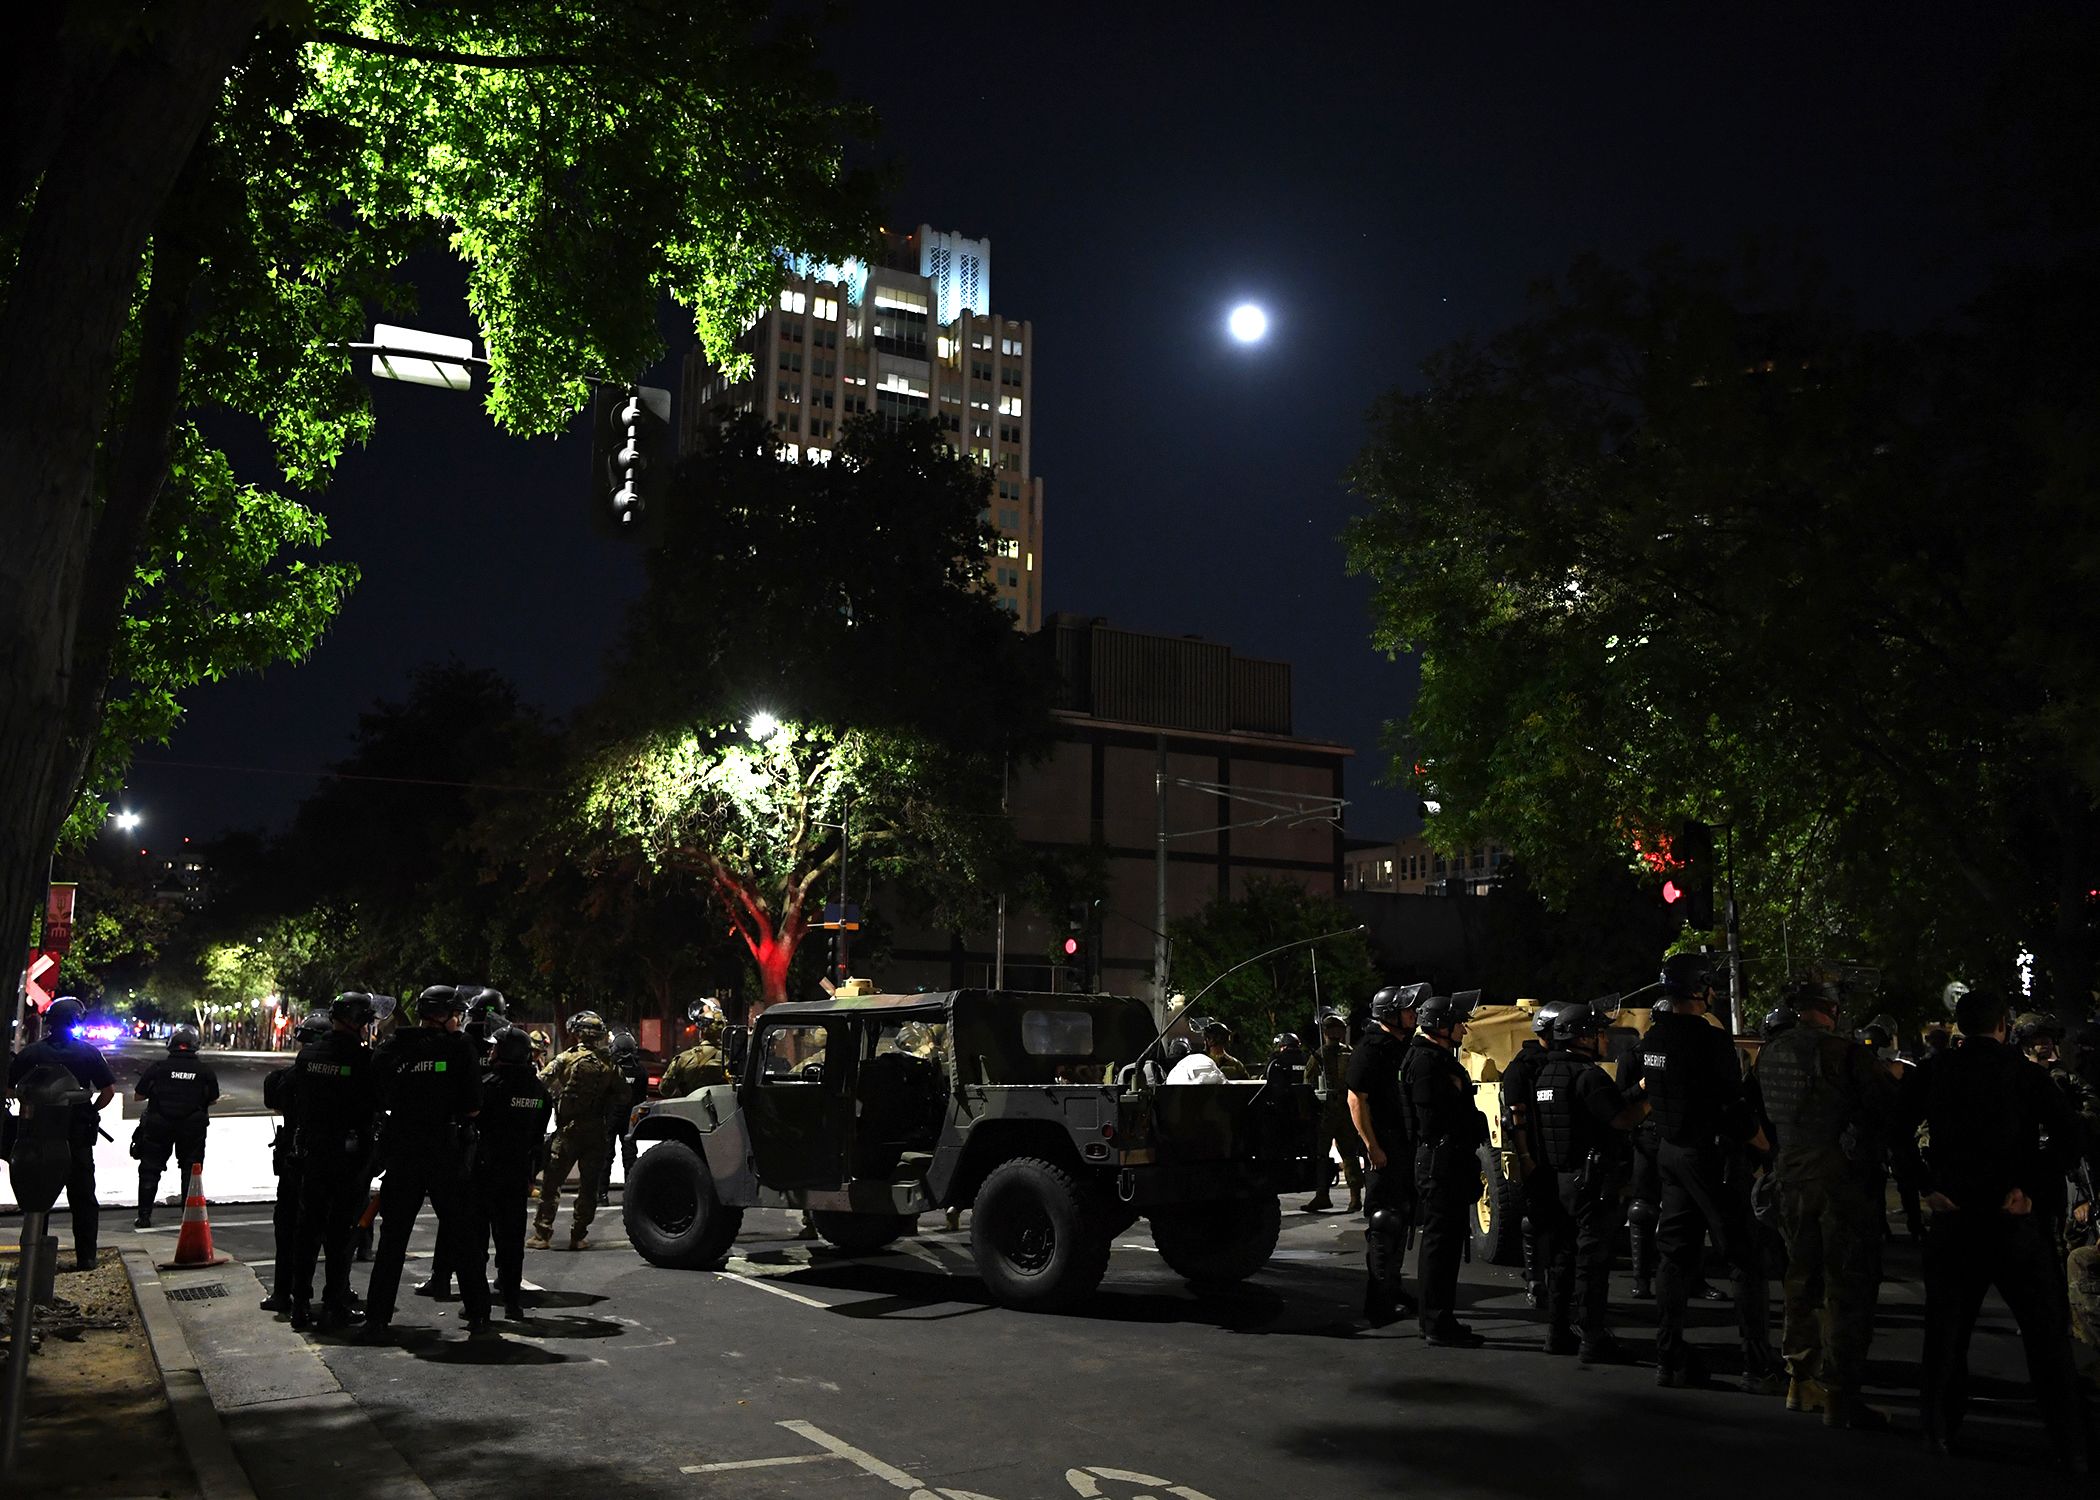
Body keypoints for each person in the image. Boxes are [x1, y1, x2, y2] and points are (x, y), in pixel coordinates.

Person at [1907, 991, 2091, 1471]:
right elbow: (2071, 1134)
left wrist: (1927, 1186)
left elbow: (1892, 1130)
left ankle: (1938, 1430)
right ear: (2003, 1026)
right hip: (2013, 1218)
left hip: (1955, 1216)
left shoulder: (1934, 1071)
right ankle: (2069, 1442)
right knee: (2046, 1334)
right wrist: (2029, 1187)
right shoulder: (2025, 1076)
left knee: (1947, 1331)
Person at [1620, 954, 1781, 1392]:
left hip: (1670, 1153)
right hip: (1710, 1158)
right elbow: (1734, 1109)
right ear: (1701, 988)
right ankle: (1757, 1364)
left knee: (1674, 1256)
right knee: (1744, 1257)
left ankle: (1669, 1360)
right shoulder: (1711, 1042)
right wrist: (1765, 1147)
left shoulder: (1652, 1039)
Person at [1754, 982, 1896, 1427]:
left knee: (1800, 1281)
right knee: (1846, 1289)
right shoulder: (1846, 1053)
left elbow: (1751, 1113)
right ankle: (1841, 1396)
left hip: (1790, 1179)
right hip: (1840, 1184)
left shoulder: (1770, 1054)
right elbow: (1886, 1113)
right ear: (1830, 1010)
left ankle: (1801, 1381)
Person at [363, 985, 489, 1335]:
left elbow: (377, 1093)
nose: (459, 1019)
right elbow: (474, 1106)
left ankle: (377, 1318)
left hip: (402, 1149)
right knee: (462, 1234)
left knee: (393, 1240)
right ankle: (479, 1313)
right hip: (444, 1150)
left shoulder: (394, 1047)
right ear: (443, 1015)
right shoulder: (460, 1048)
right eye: (456, 1013)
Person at [1524, 1000, 1644, 1363]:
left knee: (1562, 1258)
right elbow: (1621, 1119)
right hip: (1592, 1182)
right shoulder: (1589, 1076)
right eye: (1599, 1032)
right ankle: (1592, 1337)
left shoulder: (1547, 1074)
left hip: (1560, 1180)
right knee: (1592, 1261)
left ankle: (1557, 1332)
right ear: (1584, 1038)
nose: (1605, 1039)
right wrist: (1649, 1095)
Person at [285, 992, 387, 1330]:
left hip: (313, 1153)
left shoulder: (308, 1056)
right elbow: (375, 1104)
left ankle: (299, 1304)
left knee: (307, 1231)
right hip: (348, 1156)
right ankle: (334, 1304)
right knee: (342, 1234)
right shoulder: (364, 1060)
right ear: (359, 1021)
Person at [1401, 989, 1489, 1347]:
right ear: (1439, 1026)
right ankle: (1437, 1322)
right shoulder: (1426, 1062)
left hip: (1445, 1160)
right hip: (1441, 1162)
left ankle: (1437, 1319)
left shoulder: (1431, 1058)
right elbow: (1434, 1117)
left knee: (1445, 1245)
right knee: (1440, 1245)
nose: (1463, 1032)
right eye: (1458, 1025)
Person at [7, 996, 116, 1269]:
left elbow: (10, 1091)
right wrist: (90, 1110)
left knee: (36, 1200)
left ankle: (33, 1259)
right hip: (76, 1138)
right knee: (83, 1200)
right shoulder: (89, 1053)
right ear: (76, 1022)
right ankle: (86, 1258)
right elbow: (108, 1092)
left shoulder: (30, 1054)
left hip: (36, 1137)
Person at [1347, 983, 1424, 1326]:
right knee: (1383, 1221)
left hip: (1404, 1144)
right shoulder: (1371, 1048)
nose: (1413, 1015)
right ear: (1389, 1014)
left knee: (1401, 1218)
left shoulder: (1400, 1045)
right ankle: (1378, 1301)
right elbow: (1355, 1100)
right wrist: (1372, 1146)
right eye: (1407, 1010)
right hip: (1385, 1145)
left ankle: (1393, 1289)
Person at [467, 1026, 551, 1321]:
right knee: (512, 1241)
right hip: (517, 1174)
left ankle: (477, 1306)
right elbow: (538, 1137)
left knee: (477, 1242)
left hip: (484, 1172)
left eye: (494, 1048)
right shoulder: (539, 1091)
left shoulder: (489, 1085)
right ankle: (512, 1302)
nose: (489, 1052)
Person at [531, 1010, 623, 1251]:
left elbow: (540, 1082)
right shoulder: (609, 1064)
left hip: (568, 1131)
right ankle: (578, 1235)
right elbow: (624, 1094)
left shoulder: (565, 1059)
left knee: (552, 1184)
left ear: (578, 1034)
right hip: (597, 1132)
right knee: (589, 1185)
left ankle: (542, 1235)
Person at [260, 1012, 331, 1313]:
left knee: (288, 1225)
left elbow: (274, 1100)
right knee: (333, 1229)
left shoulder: (290, 1075)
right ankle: (335, 1294)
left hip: (296, 1158)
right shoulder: (340, 1070)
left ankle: (283, 1292)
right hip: (327, 1159)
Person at [1498, 1003, 1563, 1309]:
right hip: (1537, 1153)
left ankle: (1555, 1278)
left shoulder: (1563, 1063)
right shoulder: (1523, 1067)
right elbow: (1516, 1118)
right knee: (1537, 1217)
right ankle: (1536, 1279)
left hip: (1560, 1153)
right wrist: (1524, 1157)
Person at [131, 1023, 220, 1228]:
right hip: (192, 1127)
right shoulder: (204, 1071)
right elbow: (213, 1099)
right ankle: (188, 1217)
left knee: (150, 1169)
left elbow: (139, 1095)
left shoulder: (158, 1068)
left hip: (159, 1124)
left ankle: (144, 1216)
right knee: (190, 1169)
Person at [1304, 1012, 1363, 1214]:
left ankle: (1323, 1194)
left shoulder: (1319, 1054)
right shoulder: (1351, 1053)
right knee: (1349, 1153)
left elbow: (1307, 1081)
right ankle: (1355, 1197)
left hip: (1327, 1109)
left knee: (1322, 1154)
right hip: (1347, 1109)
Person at [660, 1001, 732, 1098]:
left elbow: (664, 1089)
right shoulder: (730, 1060)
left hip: (688, 1111)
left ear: (701, 1032)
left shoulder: (683, 1059)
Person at [606, 1026, 648, 1183]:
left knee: (606, 1155)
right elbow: (642, 1097)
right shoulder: (641, 1071)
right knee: (630, 1155)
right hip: (630, 1118)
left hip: (611, 1117)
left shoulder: (611, 1070)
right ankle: (630, 1190)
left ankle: (601, 1194)